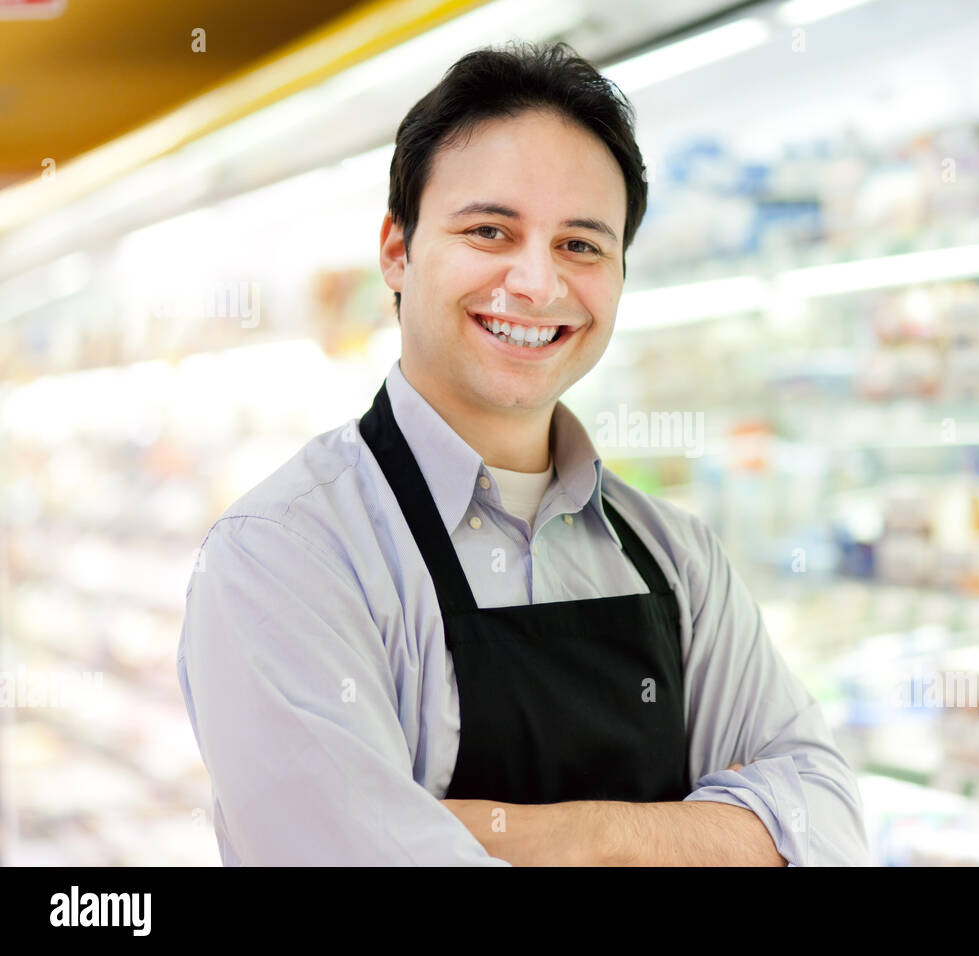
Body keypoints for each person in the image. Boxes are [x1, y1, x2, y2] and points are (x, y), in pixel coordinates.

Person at [177, 40, 870, 866]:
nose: (536, 285)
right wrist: (711, 834)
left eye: (581, 245)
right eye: (490, 230)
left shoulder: (677, 559)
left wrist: (578, 834)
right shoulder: (284, 557)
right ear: (397, 251)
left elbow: (828, 826)